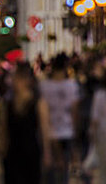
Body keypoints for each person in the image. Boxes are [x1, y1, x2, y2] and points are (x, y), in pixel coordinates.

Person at [1, 63, 51, 184]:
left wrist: (47, 152)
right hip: (13, 153)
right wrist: (3, 151)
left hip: (31, 152)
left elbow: (44, 129)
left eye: (16, 79)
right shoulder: (9, 104)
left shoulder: (37, 103)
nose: (13, 82)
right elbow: (4, 130)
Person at [39, 54, 80, 184]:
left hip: (48, 132)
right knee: (63, 169)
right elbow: (74, 111)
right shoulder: (71, 86)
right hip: (66, 131)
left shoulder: (44, 86)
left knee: (49, 170)